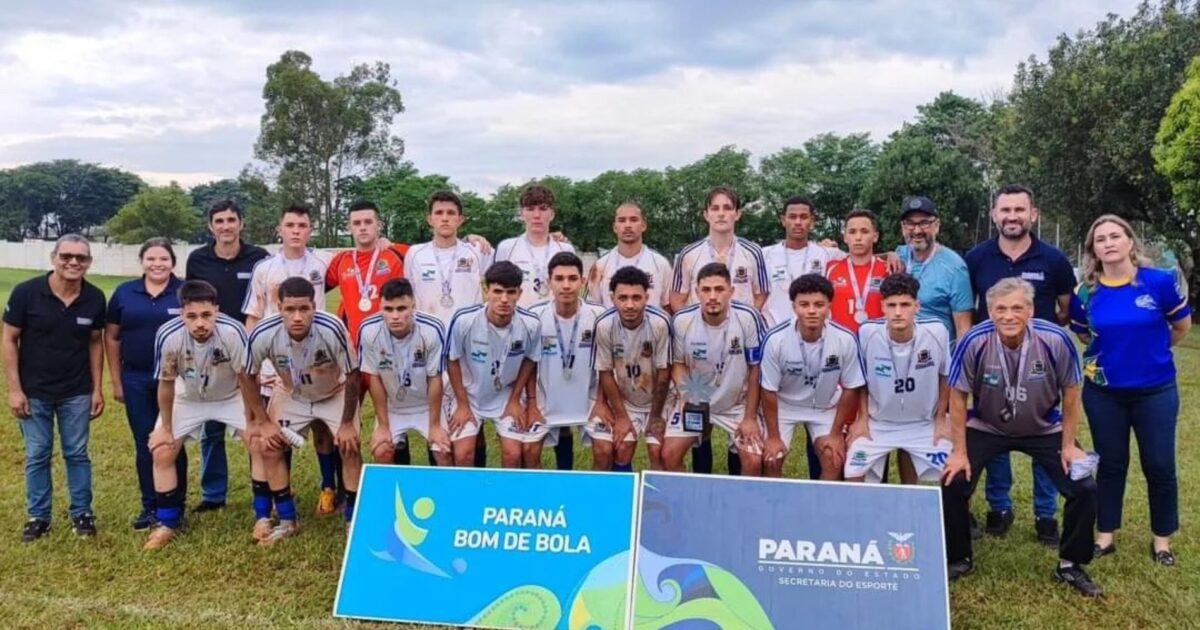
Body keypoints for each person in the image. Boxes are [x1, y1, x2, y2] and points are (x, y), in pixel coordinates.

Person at [942, 278, 1100, 596]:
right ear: (989, 311)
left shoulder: (1055, 339)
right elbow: (957, 397)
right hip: (987, 426)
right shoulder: (974, 340)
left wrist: (1069, 445)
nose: (1009, 316)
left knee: (1084, 486)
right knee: (952, 481)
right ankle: (958, 557)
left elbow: (1071, 393)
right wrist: (959, 451)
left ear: (1030, 310)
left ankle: (1071, 564)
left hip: (1044, 427)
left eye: (1017, 307)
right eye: (1000, 309)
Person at [1070, 214, 1191, 566]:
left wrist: (1150, 351)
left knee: (1160, 465)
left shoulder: (1159, 282)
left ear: (1129, 242)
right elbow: (1083, 334)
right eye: (1100, 238)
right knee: (1111, 465)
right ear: (1093, 248)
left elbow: (1181, 327)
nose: (1108, 243)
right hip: (1104, 393)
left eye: (1115, 236)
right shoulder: (1085, 292)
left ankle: (1162, 541)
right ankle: (1105, 536)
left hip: (1155, 391)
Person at [965, 185, 1076, 544]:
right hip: (991, 363)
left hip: (1040, 365)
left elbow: (1064, 309)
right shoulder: (977, 258)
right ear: (994, 215)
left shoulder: (1054, 259)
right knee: (994, 431)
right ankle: (1000, 507)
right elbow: (969, 307)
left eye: (1019, 210)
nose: (1012, 217)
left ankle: (1046, 515)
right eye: (1005, 210)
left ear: (1033, 214)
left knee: (1045, 432)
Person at [242, 277, 361, 542]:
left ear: (314, 306)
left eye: (304, 309)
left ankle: (353, 518)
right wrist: (262, 421)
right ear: (279, 306)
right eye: (290, 309)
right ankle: (286, 519)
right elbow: (248, 375)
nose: (297, 317)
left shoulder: (332, 328)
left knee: (350, 446)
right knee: (268, 444)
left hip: (333, 391)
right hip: (292, 393)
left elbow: (353, 375)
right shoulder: (264, 332)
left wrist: (346, 424)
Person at [4, 234, 106, 541]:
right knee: (38, 454)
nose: (73, 262)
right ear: (54, 258)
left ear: (88, 262)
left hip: (76, 390)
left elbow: (95, 343)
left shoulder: (95, 297)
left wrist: (97, 388)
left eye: (81, 258)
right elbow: (8, 339)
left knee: (76, 453)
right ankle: (38, 517)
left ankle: (82, 514)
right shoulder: (27, 293)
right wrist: (14, 389)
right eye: (67, 256)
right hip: (34, 391)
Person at [243, 205, 343, 517]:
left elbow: (360, 260)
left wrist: (384, 244)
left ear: (310, 230)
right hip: (277, 362)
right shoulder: (265, 268)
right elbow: (254, 315)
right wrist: (255, 363)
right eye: (290, 225)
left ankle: (329, 488)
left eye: (303, 225)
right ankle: (277, 493)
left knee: (322, 430)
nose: (296, 230)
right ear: (280, 230)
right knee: (276, 430)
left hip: (318, 360)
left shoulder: (324, 262)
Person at [143, 281, 250, 550]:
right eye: (191, 316)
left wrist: (257, 419)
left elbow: (246, 377)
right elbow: (166, 384)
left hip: (230, 396)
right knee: (162, 450)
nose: (200, 323)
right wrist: (165, 427)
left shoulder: (233, 331)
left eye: (206, 315)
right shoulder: (169, 335)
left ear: (217, 310)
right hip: (187, 398)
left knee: (260, 443)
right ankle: (168, 522)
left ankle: (264, 515)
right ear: (182, 314)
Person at [670, 187, 768, 475]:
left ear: (737, 213)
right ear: (706, 214)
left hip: (738, 344)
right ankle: (702, 483)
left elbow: (761, 295)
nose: (721, 213)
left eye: (728, 208)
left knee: (740, 441)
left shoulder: (753, 252)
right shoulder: (688, 254)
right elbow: (677, 297)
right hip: (698, 351)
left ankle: (734, 490)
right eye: (715, 208)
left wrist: (740, 325)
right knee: (700, 430)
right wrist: (695, 331)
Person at [185, 200, 269, 513]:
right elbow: (192, 305)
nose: (226, 226)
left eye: (231, 220)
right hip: (210, 353)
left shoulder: (259, 258)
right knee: (211, 426)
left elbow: (266, 301)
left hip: (249, 351)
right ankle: (213, 494)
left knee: (254, 423)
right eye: (219, 221)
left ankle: (263, 489)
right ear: (211, 226)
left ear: (241, 224)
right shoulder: (198, 259)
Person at [104, 238, 188, 530]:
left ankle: (175, 506)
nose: (157, 264)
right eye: (151, 258)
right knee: (145, 443)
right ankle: (150, 506)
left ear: (172, 262)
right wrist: (117, 380)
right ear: (142, 261)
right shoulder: (125, 293)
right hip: (137, 378)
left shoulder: (183, 292)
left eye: (164, 259)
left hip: (177, 381)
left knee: (173, 441)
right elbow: (112, 337)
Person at [325, 200, 414, 467]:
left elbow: (438, 248)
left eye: (368, 222)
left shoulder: (398, 254)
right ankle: (345, 487)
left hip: (389, 351)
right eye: (357, 223)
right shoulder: (340, 261)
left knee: (393, 418)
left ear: (378, 225)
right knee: (344, 419)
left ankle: (400, 478)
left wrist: (472, 238)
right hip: (352, 353)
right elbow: (315, 285)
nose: (363, 228)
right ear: (349, 227)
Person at [493, 184, 576, 470]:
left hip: (557, 334)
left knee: (559, 403)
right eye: (530, 209)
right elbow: (497, 284)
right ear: (521, 213)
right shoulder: (508, 247)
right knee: (524, 396)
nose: (537, 215)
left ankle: (564, 472)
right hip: (518, 333)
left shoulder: (563, 247)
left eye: (542, 209)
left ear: (552, 213)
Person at [843, 273, 952, 484]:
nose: (898, 312)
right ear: (882, 306)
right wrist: (863, 419)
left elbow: (945, 376)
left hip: (924, 423)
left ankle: (933, 514)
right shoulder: (867, 332)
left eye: (905, 304)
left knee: (952, 474)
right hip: (879, 424)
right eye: (892, 305)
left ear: (917, 306)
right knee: (853, 474)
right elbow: (861, 381)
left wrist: (941, 419)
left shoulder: (937, 331)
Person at [663, 263, 767, 475]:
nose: (712, 296)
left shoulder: (748, 317)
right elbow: (678, 363)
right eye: (706, 290)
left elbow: (756, 369)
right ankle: (691, 501)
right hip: (697, 397)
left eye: (719, 289)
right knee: (669, 455)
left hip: (736, 403)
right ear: (696, 292)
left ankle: (741, 506)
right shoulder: (682, 321)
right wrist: (690, 396)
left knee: (754, 461)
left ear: (731, 291)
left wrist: (750, 417)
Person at [760, 274, 864, 479]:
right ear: (794, 306)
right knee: (772, 459)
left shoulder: (845, 339)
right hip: (784, 405)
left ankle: (823, 508)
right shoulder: (775, 339)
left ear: (829, 306)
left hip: (824, 406)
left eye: (819, 304)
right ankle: (774, 506)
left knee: (833, 459)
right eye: (804, 304)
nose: (812, 311)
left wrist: (835, 434)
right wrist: (773, 436)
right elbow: (768, 390)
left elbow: (852, 387)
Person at [446, 262, 541, 468]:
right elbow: (451, 360)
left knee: (513, 454)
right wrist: (462, 404)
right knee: (463, 455)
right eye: (497, 292)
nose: (504, 299)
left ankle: (507, 499)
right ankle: (470, 499)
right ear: (486, 290)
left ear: (519, 293)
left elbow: (530, 360)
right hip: (470, 396)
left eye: (511, 292)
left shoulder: (531, 324)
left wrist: (515, 399)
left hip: (506, 395)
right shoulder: (464, 320)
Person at [360, 280, 458, 466]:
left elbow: (434, 378)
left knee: (443, 451)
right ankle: (392, 494)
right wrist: (383, 425)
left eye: (401, 308)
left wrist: (435, 426)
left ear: (413, 305)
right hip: (394, 406)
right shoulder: (368, 330)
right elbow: (374, 378)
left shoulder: (432, 328)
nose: (395, 316)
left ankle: (443, 494)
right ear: (380, 306)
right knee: (381, 450)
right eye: (388, 309)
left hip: (427, 405)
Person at [527, 253, 609, 469]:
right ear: (548, 282)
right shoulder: (534, 316)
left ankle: (591, 500)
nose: (566, 285)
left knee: (605, 450)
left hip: (589, 400)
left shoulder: (600, 316)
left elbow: (607, 365)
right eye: (559, 279)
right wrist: (532, 403)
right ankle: (545, 499)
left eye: (572, 279)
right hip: (545, 399)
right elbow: (528, 366)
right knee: (528, 451)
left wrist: (601, 402)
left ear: (582, 281)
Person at [589, 267, 673, 472]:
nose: (629, 305)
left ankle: (659, 501)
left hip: (660, 400)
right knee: (622, 447)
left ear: (647, 297)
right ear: (612, 298)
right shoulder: (604, 325)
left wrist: (655, 417)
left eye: (636, 298)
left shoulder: (660, 323)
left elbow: (664, 374)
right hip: (626, 399)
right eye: (623, 298)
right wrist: (622, 416)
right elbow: (606, 372)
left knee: (658, 451)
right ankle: (621, 498)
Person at [895, 196, 973, 345]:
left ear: (937, 225)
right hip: (900, 355)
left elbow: (964, 329)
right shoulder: (898, 255)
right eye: (910, 224)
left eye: (924, 223)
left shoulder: (955, 267)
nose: (917, 231)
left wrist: (958, 367)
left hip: (939, 359)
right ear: (903, 227)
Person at [406, 191, 492, 325]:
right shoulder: (414, 253)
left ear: (460, 219)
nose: (445, 218)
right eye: (439, 213)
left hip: (467, 332)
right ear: (429, 219)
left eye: (451, 213)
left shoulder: (479, 250)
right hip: (428, 334)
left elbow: (497, 289)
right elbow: (408, 297)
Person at [761, 197, 846, 327]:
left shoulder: (827, 253)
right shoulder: (764, 254)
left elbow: (862, 259)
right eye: (792, 217)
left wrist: (888, 255)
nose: (798, 222)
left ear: (812, 221)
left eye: (804, 217)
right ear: (783, 220)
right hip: (774, 333)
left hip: (813, 332)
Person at [586, 202, 673, 310]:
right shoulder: (600, 266)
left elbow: (668, 306)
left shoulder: (660, 263)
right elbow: (592, 308)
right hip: (611, 326)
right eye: (622, 220)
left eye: (633, 220)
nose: (627, 225)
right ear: (614, 227)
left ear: (643, 225)